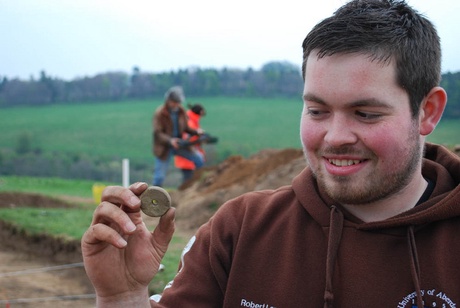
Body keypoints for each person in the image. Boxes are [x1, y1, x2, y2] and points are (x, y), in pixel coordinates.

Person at [81, 0, 460, 307]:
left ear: (427, 111)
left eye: (366, 114)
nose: (336, 136)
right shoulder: (239, 230)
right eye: (317, 110)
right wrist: (123, 297)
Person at [151, 86, 204, 187]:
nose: (177, 104)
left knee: (199, 159)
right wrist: (170, 141)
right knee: (159, 177)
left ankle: (197, 187)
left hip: (179, 144)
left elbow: (185, 127)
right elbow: (158, 133)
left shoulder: (181, 111)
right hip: (164, 148)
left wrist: (196, 132)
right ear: (169, 101)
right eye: (175, 102)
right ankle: (155, 198)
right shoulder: (160, 113)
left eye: (178, 102)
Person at [174, 103, 207, 184]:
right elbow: (187, 140)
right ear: (200, 113)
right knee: (188, 182)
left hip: (189, 157)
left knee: (189, 181)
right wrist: (200, 139)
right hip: (188, 157)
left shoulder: (190, 120)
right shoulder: (190, 122)